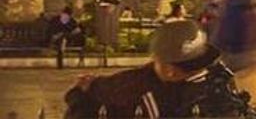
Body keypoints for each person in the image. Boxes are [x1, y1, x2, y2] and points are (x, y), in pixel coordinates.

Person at [64, 19, 224, 117]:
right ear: (170, 70)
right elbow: (83, 94)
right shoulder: (129, 90)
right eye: (194, 69)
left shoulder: (204, 85)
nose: (202, 72)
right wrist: (83, 92)